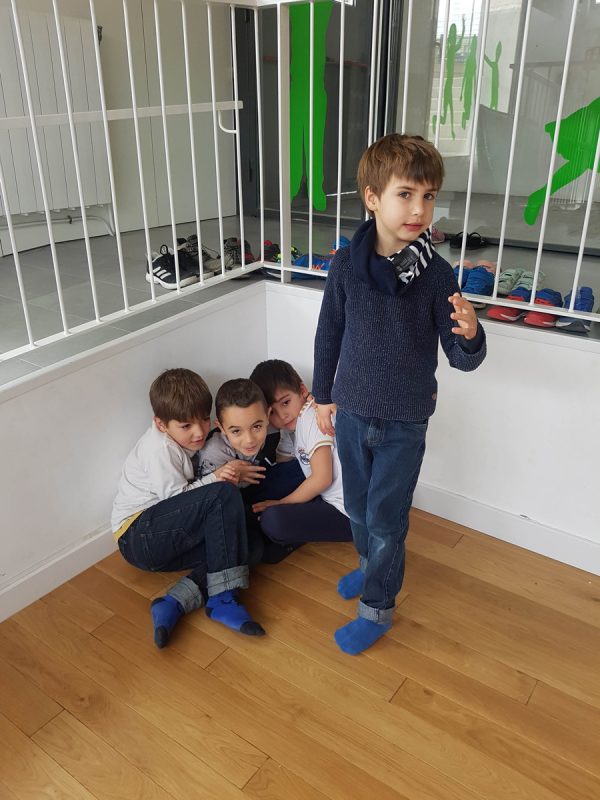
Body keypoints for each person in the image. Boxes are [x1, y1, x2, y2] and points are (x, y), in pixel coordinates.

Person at [312, 133, 487, 655]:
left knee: (387, 519)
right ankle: (369, 566)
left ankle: (377, 606)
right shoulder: (346, 265)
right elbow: (329, 333)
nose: (419, 209)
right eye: (405, 194)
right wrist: (322, 396)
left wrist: (472, 334)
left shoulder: (436, 275)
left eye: (428, 196)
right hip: (351, 413)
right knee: (357, 508)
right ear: (372, 198)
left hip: (405, 422)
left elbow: (461, 358)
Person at [111, 368, 265, 649]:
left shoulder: (190, 440)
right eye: (186, 426)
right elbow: (175, 499)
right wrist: (219, 476)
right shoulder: (160, 449)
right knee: (222, 492)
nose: (199, 432)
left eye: (204, 420)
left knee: (247, 541)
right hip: (138, 535)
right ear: (161, 424)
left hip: (169, 535)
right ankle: (223, 598)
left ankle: (174, 602)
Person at [199, 377, 306, 563]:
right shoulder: (214, 452)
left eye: (256, 427)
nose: (249, 440)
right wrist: (231, 479)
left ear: (268, 415)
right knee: (255, 547)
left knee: (299, 470)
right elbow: (211, 507)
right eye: (236, 431)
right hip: (236, 504)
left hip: (262, 486)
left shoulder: (275, 427)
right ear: (221, 428)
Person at [249, 359, 352, 547]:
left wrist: (282, 503)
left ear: (302, 390)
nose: (282, 416)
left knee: (273, 520)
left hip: (349, 514)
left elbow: (322, 479)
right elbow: (282, 466)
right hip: (328, 499)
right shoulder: (292, 426)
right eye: (272, 413)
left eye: (286, 403)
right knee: (265, 484)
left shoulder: (311, 416)